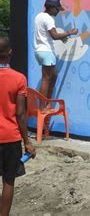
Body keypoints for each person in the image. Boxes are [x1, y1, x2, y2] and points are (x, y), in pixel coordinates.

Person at [0, 37, 36, 216]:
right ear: (10, 53)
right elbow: (21, 113)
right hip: (9, 138)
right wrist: (27, 142)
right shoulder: (19, 79)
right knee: (8, 180)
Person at [34, 0, 78, 104]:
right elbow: (54, 36)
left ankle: (48, 102)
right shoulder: (49, 19)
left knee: (53, 75)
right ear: (51, 7)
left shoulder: (39, 16)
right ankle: (43, 107)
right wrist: (69, 33)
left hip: (40, 50)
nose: (58, 11)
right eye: (57, 9)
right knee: (46, 79)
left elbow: (47, 35)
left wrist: (63, 37)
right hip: (47, 51)